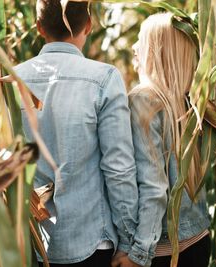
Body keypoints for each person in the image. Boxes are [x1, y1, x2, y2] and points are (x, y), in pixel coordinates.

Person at [14, 1, 141, 266]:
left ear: (38, 27)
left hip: (29, 245)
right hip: (92, 243)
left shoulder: (10, 81)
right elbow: (118, 168)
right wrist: (129, 243)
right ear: (88, 25)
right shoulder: (104, 78)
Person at [112, 13, 211, 267]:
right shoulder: (195, 104)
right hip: (199, 239)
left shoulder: (144, 101)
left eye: (142, 40)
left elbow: (154, 187)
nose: (134, 47)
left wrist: (138, 255)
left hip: (165, 252)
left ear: (159, 51)